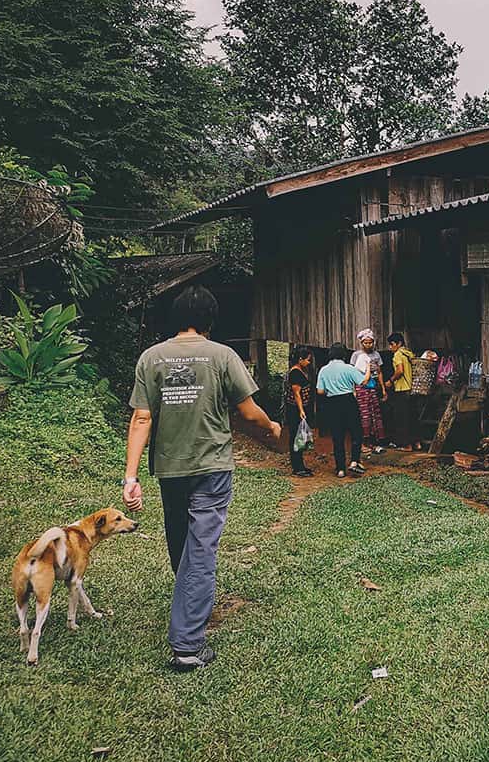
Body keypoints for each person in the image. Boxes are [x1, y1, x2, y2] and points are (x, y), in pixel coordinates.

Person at [121, 285, 281, 673]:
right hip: (212, 468)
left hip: (170, 469)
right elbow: (248, 410)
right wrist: (272, 427)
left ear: (176, 319)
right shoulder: (222, 355)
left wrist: (130, 476)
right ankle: (188, 645)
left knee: (182, 540)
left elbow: (142, 418)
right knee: (201, 550)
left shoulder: (151, 358)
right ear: (210, 319)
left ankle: (190, 605)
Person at [316, 342, 363, 478]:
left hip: (332, 403)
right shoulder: (349, 368)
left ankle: (340, 469)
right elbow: (361, 382)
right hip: (348, 401)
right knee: (356, 432)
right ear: (344, 354)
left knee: (337, 437)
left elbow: (320, 391)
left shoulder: (324, 370)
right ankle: (354, 461)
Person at [350, 329, 388, 455]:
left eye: (370, 342)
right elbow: (352, 373)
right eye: (365, 343)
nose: (368, 345)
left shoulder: (377, 355)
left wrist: (383, 389)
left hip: (373, 387)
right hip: (361, 388)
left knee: (374, 414)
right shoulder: (356, 355)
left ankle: (374, 443)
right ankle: (362, 443)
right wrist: (353, 389)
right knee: (364, 415)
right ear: (361, 343)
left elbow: (380, 372)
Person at [387, 333, 421, 451]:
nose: (390, 348)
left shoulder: (398, 355)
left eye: (392, 345)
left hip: (402, 389)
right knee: (412, 417)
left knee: (402, 419)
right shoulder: (409, 353)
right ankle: (417, 443)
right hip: (412, 389)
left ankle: (407, 445)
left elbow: (400, 371)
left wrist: (391, 380)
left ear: (399, 344)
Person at [284, 345, 314, 477]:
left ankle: (300, 465)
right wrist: (301, 410)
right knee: (296, 437)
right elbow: (297, 394)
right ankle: (297, 467)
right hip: (294, 410)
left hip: (300, 408)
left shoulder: (301, 370)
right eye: (307, 360)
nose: (309, 362)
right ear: (300, 359)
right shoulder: (295, 373)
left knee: (300, 437)